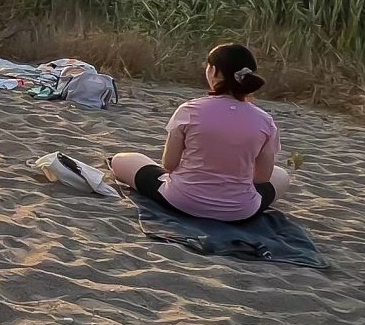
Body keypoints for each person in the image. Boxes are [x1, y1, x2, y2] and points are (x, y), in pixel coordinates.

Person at [110, 42, 291, 221]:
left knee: (121, 160)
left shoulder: (189, 110)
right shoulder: (265, 121)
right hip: (239, 211)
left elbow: (170, 164)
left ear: (213, 71)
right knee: (281, 175)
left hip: (182, 200)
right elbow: (262, 177)